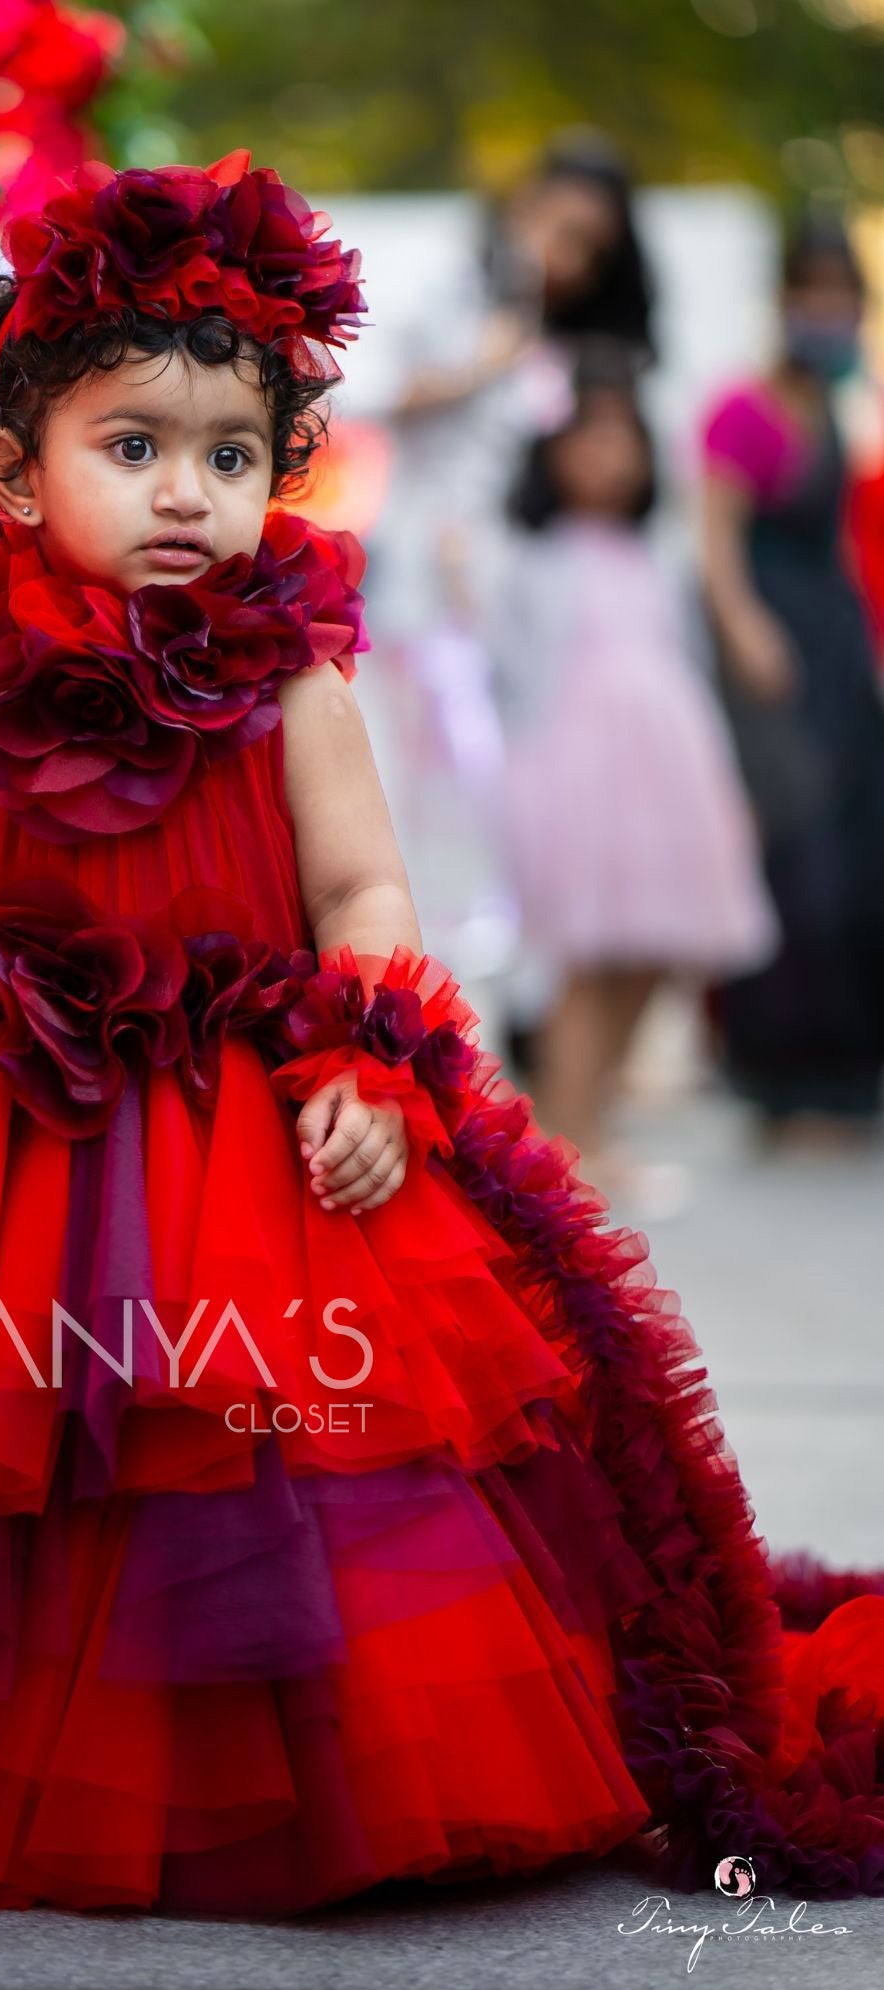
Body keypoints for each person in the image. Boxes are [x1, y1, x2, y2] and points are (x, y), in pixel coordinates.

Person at [0, 154, 884, 1914]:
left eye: (230, 456)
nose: (187, 494)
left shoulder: (290, 682)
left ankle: (272, 1751)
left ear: (280, 472)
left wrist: (371, 1061)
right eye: (133, 448)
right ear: (15, 468)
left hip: (246, 1137)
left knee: (257, 1467)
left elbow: (364, 900)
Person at [369, 131, 658, 1021]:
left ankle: (499, 1035)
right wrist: (485, 362)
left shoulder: (569, 350)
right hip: (424, 601)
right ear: (523, 207)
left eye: (589, 248)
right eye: (558, 229)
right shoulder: (452, 292)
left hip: (518, 614)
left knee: (502, 826)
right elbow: (374, 389)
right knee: (428, 818)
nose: (565, 259)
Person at [493, 357, 778, 1202]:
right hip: (584, 787)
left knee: (653, 954)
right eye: (591, 435)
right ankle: (564, 1144)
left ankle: (596, 1122)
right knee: (590, 959)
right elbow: (519, 686)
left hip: (669, 783)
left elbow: (685, 665)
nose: (611, 455)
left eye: (626, 437)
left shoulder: (654, 561)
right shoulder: (537, 563)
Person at [697, 215, 884, 1144]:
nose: (829, 312)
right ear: (784, 301)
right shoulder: (744, 409)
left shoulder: (836, 408)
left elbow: (842, 547)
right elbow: (716, 544)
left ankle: (851, 1080)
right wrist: (747, 634)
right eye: (814, 293)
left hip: (840, 649)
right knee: (798, 858)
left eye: (842, 295)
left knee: (858, 857)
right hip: (771, 650)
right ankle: (784, 1080)